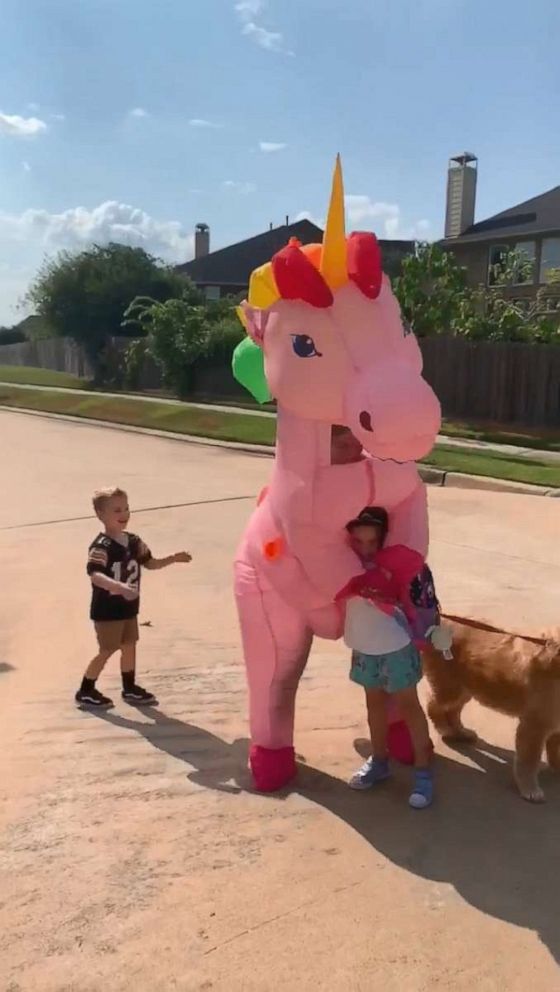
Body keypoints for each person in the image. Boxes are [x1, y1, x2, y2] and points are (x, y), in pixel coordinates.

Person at [336, 507, 434, 809]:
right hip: (365, 646)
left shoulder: (399, 564)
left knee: (408, 706)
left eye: (372, 542)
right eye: (359, 541)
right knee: (373, 703)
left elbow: (421, 600)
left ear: (383, 539)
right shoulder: (339, 563)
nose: (365, 548)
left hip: (397, 646)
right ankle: (379, 761)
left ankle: (424, 772)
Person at [75, 487, 192, 709]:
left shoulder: (134, 541)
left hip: (128, 608)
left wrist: (173, 558)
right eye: (116, 510)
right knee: (107, 649)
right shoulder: (101, 547)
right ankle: (86, 689)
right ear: (100, 515)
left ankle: (129, 688)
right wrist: (118, 587)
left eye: (126, 508)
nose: (124, 514)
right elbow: (95, 575)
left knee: (130, 645)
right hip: (107, 610)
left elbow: (151, 563)